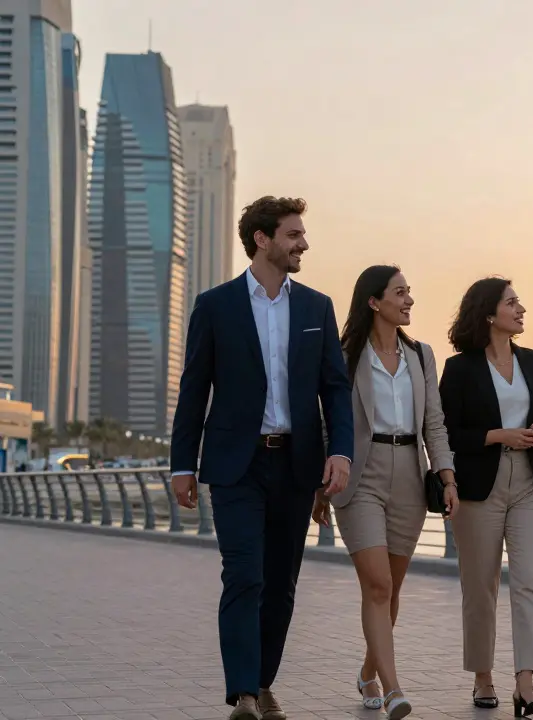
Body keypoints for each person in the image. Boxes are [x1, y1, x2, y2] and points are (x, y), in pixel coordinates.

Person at [169, 196, 354, 720]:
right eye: (294, 234)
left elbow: (335, 390)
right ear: (262, 239)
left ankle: (263, 680)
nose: (304, 244)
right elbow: (193, 389)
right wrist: (183, 463)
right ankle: (245, 694)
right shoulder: (216, 305)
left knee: (281, 585)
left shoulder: (317, 307)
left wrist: (340, 451)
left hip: (296, 465)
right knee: (244, 575)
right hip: (236, 464)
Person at [312, 265, 458, 719]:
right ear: (375, 302)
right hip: (361, 472)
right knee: (376, 583)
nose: (409, 299)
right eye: (400, 292)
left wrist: (447, 476)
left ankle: (368, 670)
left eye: (409, 291)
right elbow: (327, 419)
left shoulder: (421, 355)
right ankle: (393, 688)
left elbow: (434, 420)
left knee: (391, 589)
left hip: (411, 476)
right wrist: (321, 483)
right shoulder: (344, 354)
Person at [438, 277, 533, 717]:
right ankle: (482, 676)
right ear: (490, 314)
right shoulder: (460, 368)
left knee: (529, 579)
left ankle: (525, 684)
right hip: (478, 485)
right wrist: (498, 435)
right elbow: (446, 432)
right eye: (512, 302)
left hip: (530, 480)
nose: (521, 308)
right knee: (480, 585)